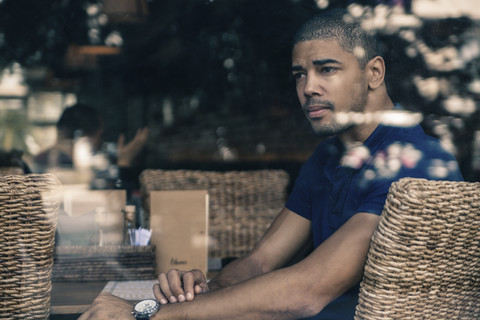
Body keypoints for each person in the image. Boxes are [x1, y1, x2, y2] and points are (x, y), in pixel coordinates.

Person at [79, 8, 463, 320]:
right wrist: (202, 289)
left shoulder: (413, 162)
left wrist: (147, 313)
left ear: (374, 73)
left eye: (326, 69)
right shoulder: (330, 155)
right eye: (300, 74)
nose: (308, 87)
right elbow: (260, 263)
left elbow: (308, 290)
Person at [33, 102, 149, 189]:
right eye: (100, 136)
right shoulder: (85, 169)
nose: (101, 143)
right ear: (84, 138)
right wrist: (124, 162)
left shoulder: (40, 160)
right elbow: (118, 200)